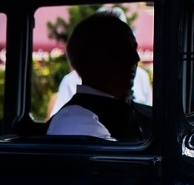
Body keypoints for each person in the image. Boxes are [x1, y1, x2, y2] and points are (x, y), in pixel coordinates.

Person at [47, 11, 146, 141]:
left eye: (134, 48)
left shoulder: (140, 112)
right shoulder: (73, 120)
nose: (135, 58)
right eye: (122, 50)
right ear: (93, 58)